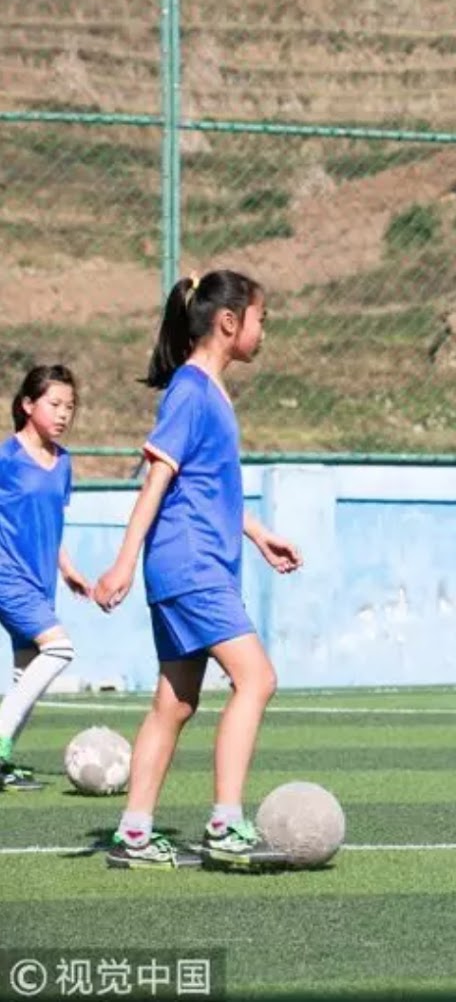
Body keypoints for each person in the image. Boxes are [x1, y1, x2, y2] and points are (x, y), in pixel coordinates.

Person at [93, 270, 303, 869]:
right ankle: (226, 823)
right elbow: (157, 478)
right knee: (256, 679)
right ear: (229, 323)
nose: (265, 331)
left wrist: (259, 535)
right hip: (191, 565)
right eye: (261, 318)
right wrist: (122, 562)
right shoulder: (191, 389)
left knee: (175, 702)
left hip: (192, 561)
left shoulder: (209, 389)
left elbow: (207, 487)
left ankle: (134, 833)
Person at [0, 365, 92, 791]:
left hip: (40, 581)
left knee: (27, 672)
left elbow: (50, 523)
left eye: (70, 407)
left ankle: (4, 761)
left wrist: (68, 569)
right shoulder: (7, 458)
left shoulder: (63, 463)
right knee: (59, 648)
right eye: (54, 404)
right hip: (7, 576)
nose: (63, 414)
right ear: (27, 404)